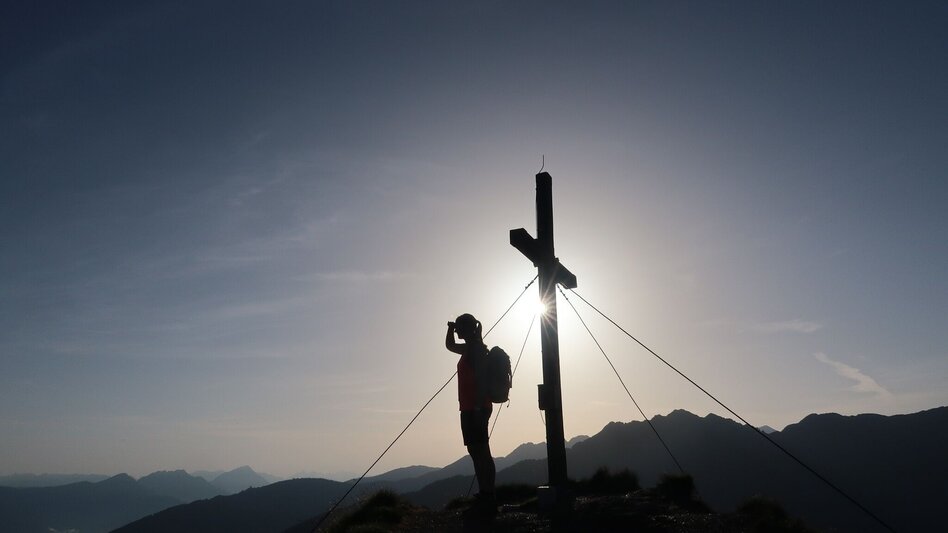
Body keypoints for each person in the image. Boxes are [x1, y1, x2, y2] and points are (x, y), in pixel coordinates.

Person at [446, 313, 496, 511]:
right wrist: (450, 328)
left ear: (466, 328)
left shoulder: (474, 350)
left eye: (458, 327)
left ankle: (488, 495)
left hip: (475, 408)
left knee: (481, 451)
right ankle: (486, 492)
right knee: (476, 450)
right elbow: (450, 346)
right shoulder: (470, 348)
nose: (456, 330)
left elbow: (482, 380)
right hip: (471, 407)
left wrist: (476, 407)